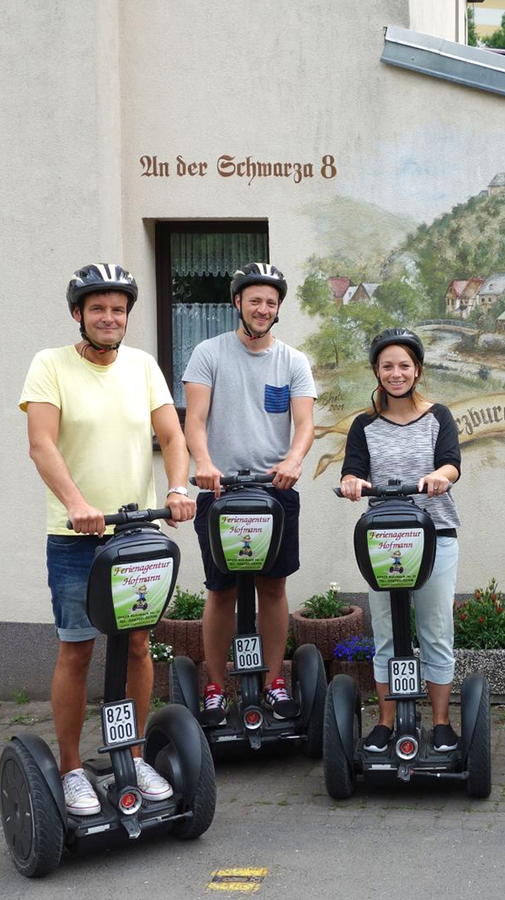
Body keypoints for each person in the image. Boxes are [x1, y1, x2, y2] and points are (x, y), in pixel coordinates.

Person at [20, 263, 197, 816]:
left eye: (117, 309)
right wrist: (76, 503)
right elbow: (42, 444)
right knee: (77, 649)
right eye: (97, 308)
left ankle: (135, 754)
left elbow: (171, 433)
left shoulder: (143, 366)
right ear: (79, 314)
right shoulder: (49, 366)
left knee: (139, 645)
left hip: (136, 533)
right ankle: (73, 768)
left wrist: (177, 485)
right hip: (76, 538)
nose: (108, 317)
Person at [184, 262, 315, 723]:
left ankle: (274, 680)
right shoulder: (208, 353)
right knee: (220, 592)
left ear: (278, 309)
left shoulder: (293, 361)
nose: (262, 309)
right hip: (220, 491)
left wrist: (294, 459)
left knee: (273, 588)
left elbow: (304, 424)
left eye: (271, 302)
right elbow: (194, 420)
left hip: (273, 491)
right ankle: (217, 687)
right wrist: (203, 463)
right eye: (254, 300)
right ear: (237, 302)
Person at [338, 328, 463, 754]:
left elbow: (451, 464)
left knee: (435, 630)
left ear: (418, 370)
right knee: (388, 634)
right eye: (387, 366)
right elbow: (351, 472)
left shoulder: (438, 417)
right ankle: (387, 721)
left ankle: (442, 722)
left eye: (404, 365)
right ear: (376, 370)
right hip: (385, 539)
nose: (396, 373)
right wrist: (353, 483)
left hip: (435, 536)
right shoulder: (365, 425)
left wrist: (438, 478)